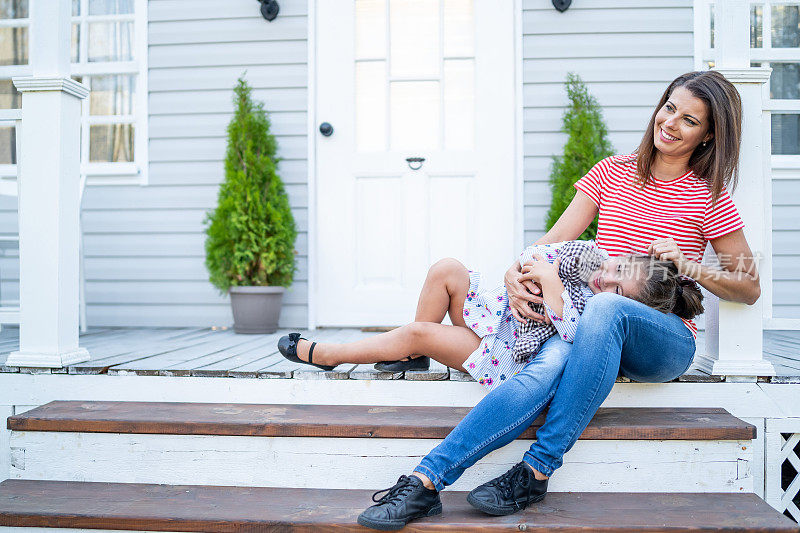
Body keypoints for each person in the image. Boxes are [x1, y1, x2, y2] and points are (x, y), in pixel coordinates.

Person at [313, 69, 760, 532]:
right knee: (545, 366)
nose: (670, 123)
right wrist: (516, 270)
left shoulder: (709, 196)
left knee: (606, 309)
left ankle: (540, 464)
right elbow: (550, 246)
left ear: (708, 136)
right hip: (586, 325)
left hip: (661, 339)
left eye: (689, 120)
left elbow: (748, 286)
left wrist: (690, 266)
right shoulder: (613, 172)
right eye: (669, 107)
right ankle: (426, 482)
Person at [277, 240, 703, 395]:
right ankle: (411, 357)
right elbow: (537, 253)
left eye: (617, 292)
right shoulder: (589, 257)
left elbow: (572, 336)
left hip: (499, 350)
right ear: (623, 257)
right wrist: (524, 272)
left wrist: (552, 291)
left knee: (419, 331)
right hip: (491, 310)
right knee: (446, 268)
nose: (605, 283)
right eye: (618, 271)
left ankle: (333, 354)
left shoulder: (601, 316)